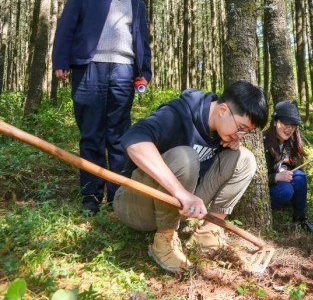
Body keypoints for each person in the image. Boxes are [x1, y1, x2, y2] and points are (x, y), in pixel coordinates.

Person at [112, 81, 268, 273]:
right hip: (136, 204)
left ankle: (207, 232)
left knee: (245, 159)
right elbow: (134, 141)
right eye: (241, 128)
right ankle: (164, 240)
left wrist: (228, 143)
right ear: (223, 110)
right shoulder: (177, 114)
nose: (241, 135)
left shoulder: (222, 131)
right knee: (186, 157)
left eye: (246, 131)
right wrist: (180, 192)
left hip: (180, 209)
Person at [52, 0, 152, 216]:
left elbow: (142, 39)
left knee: (119, 137)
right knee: (91, 134)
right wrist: (61, 60)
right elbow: (67, 24)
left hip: (123, 71)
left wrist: (145, 71)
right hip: (89, 68)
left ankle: (117, 197)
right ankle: (91, 197)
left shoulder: (137, 1)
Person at [263, 101, 313, 234]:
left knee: (300, 176)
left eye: (293, 126)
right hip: (268, 191)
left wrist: (283, 168)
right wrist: (276, 177)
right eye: (285, 124)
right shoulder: (263, 143)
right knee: (286, 190)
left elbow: (286, 165)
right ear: (274, 122)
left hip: (278, 185)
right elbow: (254, 182)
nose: (289, 129)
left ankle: (300, 219)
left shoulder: (290, 143)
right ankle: (267, 214)